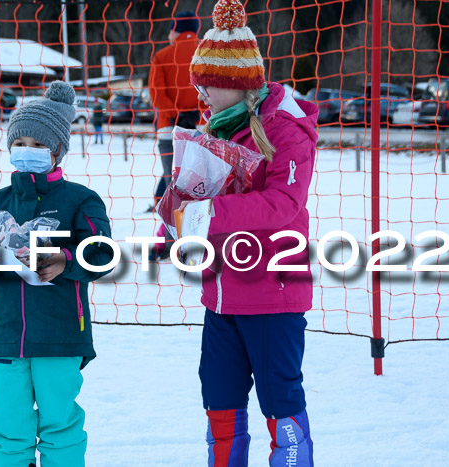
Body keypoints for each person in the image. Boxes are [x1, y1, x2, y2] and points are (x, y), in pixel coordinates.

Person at [184, 0, 319, 465]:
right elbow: (201, 203)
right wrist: (179, 221)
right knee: (219, 403)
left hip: (272, 294)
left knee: (280, 401)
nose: (201, 94)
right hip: (220, 294)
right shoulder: (215, 129)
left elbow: (285, 203)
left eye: (207, 84)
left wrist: (212, 214)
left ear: (235, 84)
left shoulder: (285, 130)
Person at [0, 80, 115, 467]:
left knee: (59, 426)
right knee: (7, 428)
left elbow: (103, 254)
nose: (26, 151)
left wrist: (65, 260)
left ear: (58, 150)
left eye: (37, 145)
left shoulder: (80, 199)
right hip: (6, 336)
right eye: (20, 143)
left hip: (61, 335)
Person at [147, 10, 201, 259]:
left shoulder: (162, 55)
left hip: (169, 129)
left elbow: (157, 93)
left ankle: (168, 240)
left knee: (172, 184)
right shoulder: (206, 52)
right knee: (200, 186)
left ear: (175, 29)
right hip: (202, 129)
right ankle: (199, 238)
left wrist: (175, 114)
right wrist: (195, 114)